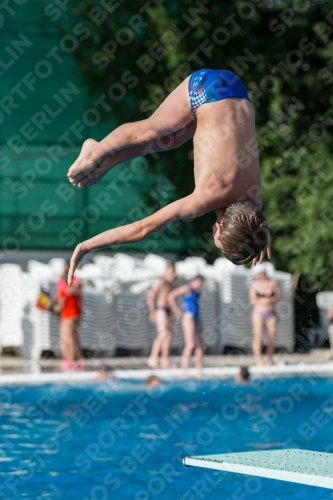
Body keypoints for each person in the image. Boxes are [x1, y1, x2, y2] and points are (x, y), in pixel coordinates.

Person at [66, 69, 271, 285]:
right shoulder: (206, 197)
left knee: (171, 139)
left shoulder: (254, 202)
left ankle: (106, 163)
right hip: (205, 88)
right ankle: (94, 151)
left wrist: (258, 239)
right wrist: (86, 246)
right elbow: (143, 228)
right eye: (218, 242)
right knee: (150, 130)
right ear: (218, 228)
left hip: (236, 90)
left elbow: (258, 223)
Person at [168, 276, 204, 377]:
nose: (201, 285)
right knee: (190, 344)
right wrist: (177, 312)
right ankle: (184, 371)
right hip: (188, 318)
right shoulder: (187, 288)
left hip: (196, 318)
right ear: (194, 281)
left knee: (200, 345)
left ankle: (199, 371)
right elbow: (170, 296)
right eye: (199, 283)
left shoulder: (196, 291)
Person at [53, 261, 84, 371]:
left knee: (69, 338)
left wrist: (64, 290)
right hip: (67, 313)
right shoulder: (63, 283)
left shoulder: (75, 281)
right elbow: (59, 303)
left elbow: (72, 291)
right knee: (69, 339)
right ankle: (74, 360)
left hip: (72, 313)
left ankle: (71, 362)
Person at [146, 263, 177, 369]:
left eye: (173, 273)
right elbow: (150, 296)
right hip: (160, 310)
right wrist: (152, 311)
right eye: (171, 273)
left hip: (167, 311)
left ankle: (164, 360)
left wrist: (172, 314)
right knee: (163, 334)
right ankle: (153, 359)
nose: (173, 275)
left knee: (169, 335)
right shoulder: (162, 281)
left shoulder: (172, 283)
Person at [249, 265, 281, 366]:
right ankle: (259, 360)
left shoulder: (273, 282)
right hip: (259, 312)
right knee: (258, 336)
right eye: (259, 273)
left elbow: (277, 296)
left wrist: (266, 300)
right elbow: (252, 300)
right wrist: (266, 300)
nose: (261, 275)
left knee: (272, 337)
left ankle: (269, 359)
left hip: (270, 312)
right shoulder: (254, 284)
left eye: (262, 273)